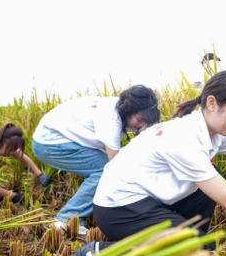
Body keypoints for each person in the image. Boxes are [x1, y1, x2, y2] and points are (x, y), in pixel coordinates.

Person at [75, 69, 226, 255]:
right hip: (119, 207)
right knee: (195, 248)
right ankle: (100, 250)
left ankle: (182, 240)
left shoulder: (213, 133)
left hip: (149, 200)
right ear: (212, 103)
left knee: (208, 190)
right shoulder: (184, 139)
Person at [32, 85, 160, 235]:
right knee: (104, 170)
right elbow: (115, 169)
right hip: (49, 142)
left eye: (145, 122)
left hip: (57, 138)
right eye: (140, 119)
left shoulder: (118, 108)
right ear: (130, 110)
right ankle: (67, 218)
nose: (141, 126)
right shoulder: (111, 120)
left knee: (104, 166)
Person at [0, 123, 51, 204]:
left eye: (14, 149)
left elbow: (21, 156)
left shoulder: (2, 142)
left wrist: (40, 175)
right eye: (10, 149)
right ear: (0, 142)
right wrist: (11, 195)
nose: (12, 152)